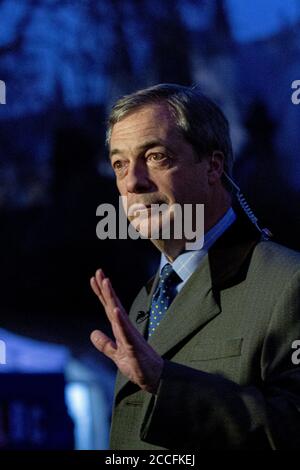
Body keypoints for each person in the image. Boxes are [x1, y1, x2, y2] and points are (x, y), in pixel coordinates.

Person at [89, 84, 300, 450]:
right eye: (119, 164)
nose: (132, 182)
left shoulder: (288, 281)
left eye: (155, 157)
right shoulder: (145, 299)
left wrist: (165, 383)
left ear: (213, 167)